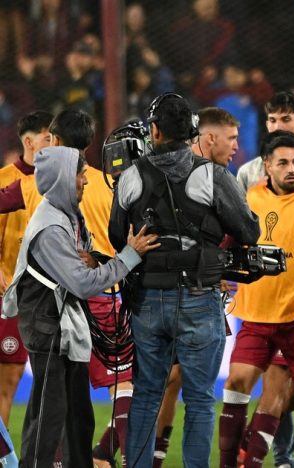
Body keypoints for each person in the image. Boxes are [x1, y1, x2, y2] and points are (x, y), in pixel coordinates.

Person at [109, 92, 260, 466]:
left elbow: (117, 237)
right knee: (200, 398)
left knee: (145, 395)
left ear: (154, 130)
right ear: (193, 132)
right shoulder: (212, 175)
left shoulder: (129, 176)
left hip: (147, 299)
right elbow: (248, 230)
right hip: (198, 296)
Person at [2, 146, 159, 466]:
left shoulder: (65, 215)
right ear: (62, 178)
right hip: (48, 328)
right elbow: (83, 283)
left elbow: (82, 268)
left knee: (77, 416)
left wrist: (99, 260)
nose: (86, 181)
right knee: (50, 418)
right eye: (80, 174)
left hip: (60, 324)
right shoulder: (51, 226)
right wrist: (130, 256)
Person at [219, 131, 294, 467]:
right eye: (284, 162)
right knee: (236, 383)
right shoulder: (250, 198)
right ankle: (231, 463)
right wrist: (218, 274)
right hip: (256, 315)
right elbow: (228, 242)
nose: (292, 169)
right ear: (266, 166)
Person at [44, 109, 135, 468]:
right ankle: (128, 458)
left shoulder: (44, 186)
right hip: (109, 296)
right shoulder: (110, 184)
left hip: (64, 302)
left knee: (59, 393)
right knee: (123, 388)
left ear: (54, 141)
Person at [0, 110, 53, 468]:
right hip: (9, 301)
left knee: (20, 383)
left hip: (44, 301)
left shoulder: (59, 183)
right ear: (30, 142)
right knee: (5, 382)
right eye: (49, 139)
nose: (54, 146)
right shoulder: (6, 182)